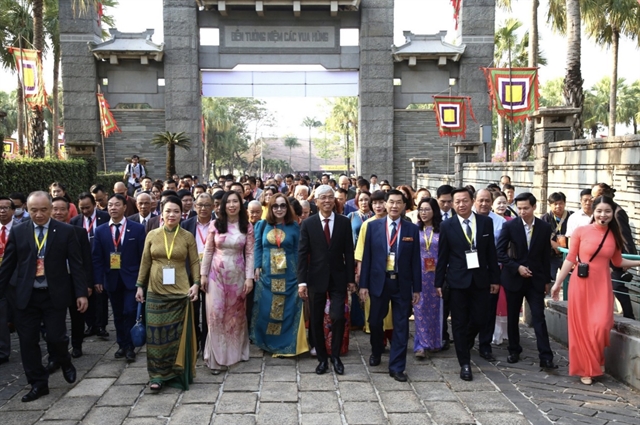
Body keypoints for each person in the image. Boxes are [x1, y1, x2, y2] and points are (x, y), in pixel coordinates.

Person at [0, 191, 88, 402]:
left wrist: (81, 293)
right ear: (26, 210)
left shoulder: (66, 231)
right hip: (26, 296)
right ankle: (38, 383)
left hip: (54, 294)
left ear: (51, 209)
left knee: (56, 337)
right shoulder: (20, 232)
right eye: (33, 210)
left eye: (43, 210)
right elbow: (8, 265)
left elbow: (76, 265)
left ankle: (64, 360)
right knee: (28, 342)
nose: (39, 215)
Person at [551, 196, 640, 385]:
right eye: (599, 211)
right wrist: (558, 283)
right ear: (593, 211)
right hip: (581, 285)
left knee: (602, 326)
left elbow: (618, 262)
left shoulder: (614, 236)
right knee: (583, 329)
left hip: (602, 287)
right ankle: (586, 369)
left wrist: (639, 261)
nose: (603, 215)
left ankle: (596, 360)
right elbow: (570, 258)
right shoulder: (581, 231)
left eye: (607, 211)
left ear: (612, 214)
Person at [434, 187, 500, 382]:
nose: (461, 205)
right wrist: (439, 282)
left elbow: (491, 254)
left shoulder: (485, 222)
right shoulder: (448, 226)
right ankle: (464, 362)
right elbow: (442, 256)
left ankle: (465, 342)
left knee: (481, 318)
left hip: (481, 279)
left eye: (464, 200)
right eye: (457, 202)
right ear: (453, 204)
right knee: (459, 322)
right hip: (457, 280)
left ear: (472, 201)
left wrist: (495, 279)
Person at [135, 195, 200, 392]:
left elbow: (195, 262)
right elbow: (145, 261)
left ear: (182, 214)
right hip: (155, 292)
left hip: (180, 293)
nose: (172, 215)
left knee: (176, 336)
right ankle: (156, 376)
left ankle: (176, 373)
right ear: (161, 214)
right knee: (155, 337)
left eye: (176, 211)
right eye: (168, 211)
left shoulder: (187, 237)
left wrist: (196, 284)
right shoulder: (152, 235)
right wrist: (140, 285)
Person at [359, 190, 421, 382]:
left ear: (404, 206)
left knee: (401, 327)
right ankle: (377, 350)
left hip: (402, 284)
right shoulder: (373, 226)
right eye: (391, 202)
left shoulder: (411, 229)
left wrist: (416, 288)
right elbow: (367, 258)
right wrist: (363, 285)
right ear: (385, 204)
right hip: (379, 282)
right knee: (375, 321)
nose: (394, 206)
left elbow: (415, 261)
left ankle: (397, 367)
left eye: (398, 203)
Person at [298, 185, 355, 375]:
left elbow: (349, 252)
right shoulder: (308, 224)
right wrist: (302, 282)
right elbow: (302, 253)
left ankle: (336, 356)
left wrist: (350, 279)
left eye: (331, 197)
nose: (327, 201)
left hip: (338, 278)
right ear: (316, 201)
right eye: (323, 197)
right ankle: (322, 358)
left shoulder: (344, 222)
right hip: (315, 278)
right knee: (315, 320)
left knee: (338, 316)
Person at [496, 193, 557, 369]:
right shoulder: (509, 226)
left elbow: (546, 256)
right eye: (519, 208)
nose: (522, 212)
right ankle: (514, 349)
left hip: (536, 280)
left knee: (539, 317)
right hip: (513, 278)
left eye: (526, 208)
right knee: (513, 316)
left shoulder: (545, 227)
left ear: (534, 207)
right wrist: (517, 267)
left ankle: (546, 356)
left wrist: (546, 280)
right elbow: (499, 252)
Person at [200, 191, 255, 374]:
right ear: (223, 205)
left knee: (234, 317)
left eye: (235, 201)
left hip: (238, 276)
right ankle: (215, 358)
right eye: (228, 202)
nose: (232, 205)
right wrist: (203, 275)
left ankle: (233, 353)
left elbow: (249, 253)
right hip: (216, 275)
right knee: (215, 315)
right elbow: (208, 251)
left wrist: (249, 278)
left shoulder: (246, 226)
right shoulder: (215, 225)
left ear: (240, 204)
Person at [251, 194, 308, 356]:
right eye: (275, 206)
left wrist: (300, 275)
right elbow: (257, 247)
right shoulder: (262, 225)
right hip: (267, 276)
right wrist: (256, 266)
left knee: (287, 309)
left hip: (289, 275)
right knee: (266, 308)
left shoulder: (294, 226)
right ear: (270, 208)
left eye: (283, 206)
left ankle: (286, 344)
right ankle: (267, 343)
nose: (279, 209)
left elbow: (298, 252)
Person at [92, 194, 146, 362]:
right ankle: (121, 344)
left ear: (125, 207)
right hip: (111, 278)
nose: (113, 208)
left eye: (117, 205)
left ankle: (130, 346)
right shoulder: (100, 231)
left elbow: (143, 256)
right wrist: (98, 279)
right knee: (116, 314)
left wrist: (142, 281)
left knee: (129, 311)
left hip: (132, 278)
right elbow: (97, 257)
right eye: (110, 205)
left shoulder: (137, 228)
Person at [47, 197, 93, 362]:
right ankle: (56, 351)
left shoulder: (78, 232)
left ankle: (77, 345)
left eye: (62, 209)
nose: (58, 213)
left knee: (77, 315)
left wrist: (87, 284)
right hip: (55, 282)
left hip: (75, 280)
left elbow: (86, 260)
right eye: (55, 209)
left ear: (69, 211)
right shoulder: (44, 233)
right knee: (54, 319)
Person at [592, 183, 637, 320]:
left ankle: (629, 316)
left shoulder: (617, 212)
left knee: (617, 286)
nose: (593, 200)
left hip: (616, 257)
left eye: (595, 196)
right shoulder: (601, 212)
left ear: (602, 196)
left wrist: (630, 259)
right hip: (603, 256)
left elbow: (626, 237)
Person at [71, 193, 110, 339]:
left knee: (101, 294)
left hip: (101, 261)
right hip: (83, 262)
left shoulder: (105, 217)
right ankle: (90, 324)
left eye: (88, 207)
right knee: (86, 292)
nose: (85, 211)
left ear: (94, 204)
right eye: (82, 208)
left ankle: (101, 325)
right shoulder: (75, 221)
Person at [474, 189, 506, 363]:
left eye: (487, 201)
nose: (484, 204)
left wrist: (495, 278)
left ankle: (485, 345)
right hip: (468, 272)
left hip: (489, 271)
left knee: (488, 310)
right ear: (474, 201)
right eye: (481, 200)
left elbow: (498, 252)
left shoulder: (500, 222)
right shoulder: (466, 219)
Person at [181, 193, 215, 352]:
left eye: (207, 205)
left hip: (213, 273)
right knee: (193, 310)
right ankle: (195, 340)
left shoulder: (219, 225)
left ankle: (208, 343)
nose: (203, 208)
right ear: (195, 207)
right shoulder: (186, 224)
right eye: (200, 205)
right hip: (191, 272)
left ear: (213, 207)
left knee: (210, 310)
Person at [413, 197, 443, 357]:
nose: (423, 213)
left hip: (436, 274)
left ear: (434, 211)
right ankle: (421, 345)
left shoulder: (442, 230)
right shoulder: (415, 229)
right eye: (421, 209)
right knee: (419, 307)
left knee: (436, 309)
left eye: (427, 209)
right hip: (419, 274)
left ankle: (435, 341)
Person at [436, 184, 454, 349]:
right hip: (437, 268)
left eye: (450, 201)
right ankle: (442, 335)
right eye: (443, 202)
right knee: (442, 305)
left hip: (456, 269)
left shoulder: (459, 217)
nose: (447, 205)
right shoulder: (433, 219)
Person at [540, 192, 573, 283]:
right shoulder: (544, 218)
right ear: (550, 205)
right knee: (550, 279)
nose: (558, 206)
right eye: (555, 204)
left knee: (571, 280)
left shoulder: (572, 216)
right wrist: (552, 243)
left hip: (568, 255)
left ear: (565, 203)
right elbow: (540, 236)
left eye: (561, 203)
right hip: (551, 256)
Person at [0, 196, 15, 364]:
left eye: (5, 208)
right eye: (0, 208)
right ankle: (3, 351)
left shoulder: (21, 229)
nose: (2, 211)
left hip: (17, 278)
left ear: (13, 211)